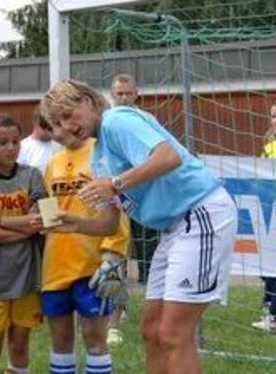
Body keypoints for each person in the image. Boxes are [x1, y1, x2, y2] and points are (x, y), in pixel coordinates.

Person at [41, 79, 237, 374]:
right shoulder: (99, 157)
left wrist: (116, 184)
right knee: (151, 327)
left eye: (69, 115)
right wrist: (74, 223)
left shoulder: (116, 120)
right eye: (57, 123)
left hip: (200, 212)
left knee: (173, 332)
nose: (66, 127)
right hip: (173, 229)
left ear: (89, 101)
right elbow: (108, 223)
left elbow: (167, 156)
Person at [39, 110, 130, 374]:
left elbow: (118, 211)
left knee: (95, 340)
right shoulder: (53, 163)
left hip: (92, 265)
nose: (59, 130)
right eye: (53, 126)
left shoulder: (100, 154)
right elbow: (48, 213)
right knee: (61, 343)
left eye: (63, 121)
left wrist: (113, 254)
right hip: (55, 266)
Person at [0, 113, 46, 374]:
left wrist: (1, 221)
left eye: (16, 141)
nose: (11, 148)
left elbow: (42, 220)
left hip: (27, 277)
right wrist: (25, 227)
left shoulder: (33, 176)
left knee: (19, 343)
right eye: (3, 142)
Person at [108, 73, 161, 345]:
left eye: (128, 93)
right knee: (117, 254)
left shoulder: (148, 121)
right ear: (112, 95)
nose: (124, 98)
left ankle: (155, 309)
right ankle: (116, 313)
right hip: (115, 200)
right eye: (119, 94)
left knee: (151, 254)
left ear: (137, 94)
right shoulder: (106, 125)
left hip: (144, 199)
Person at [252, 102, 276, 332]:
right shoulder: (269, 146)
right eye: (273, 116)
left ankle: (273, 315)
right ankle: (269, 305)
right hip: (269, 210)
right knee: (267, 265)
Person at [17, 106, 59, 174]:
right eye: (44, 124)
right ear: (35, 122)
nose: (48, 129)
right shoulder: (22, 148)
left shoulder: (61, 145)